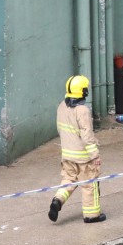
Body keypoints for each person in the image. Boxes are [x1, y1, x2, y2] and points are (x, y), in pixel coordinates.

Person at [48, 75, 106, 223]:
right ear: (83, 92)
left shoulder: (61, 106)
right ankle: (92, 215)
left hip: (67, 154)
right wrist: (95, 156)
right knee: (89, 185)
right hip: (84, 157)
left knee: (68, 180)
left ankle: (58, 200)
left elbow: (60, 129)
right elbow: (87, 137)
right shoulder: (82, 111)